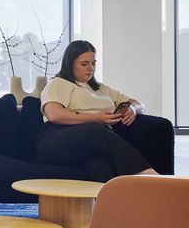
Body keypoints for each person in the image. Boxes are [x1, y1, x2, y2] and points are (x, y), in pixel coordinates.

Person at [37, 39, 161, 182]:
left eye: (93, 63)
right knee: (96, 130)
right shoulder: (58, 83)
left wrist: (133, 109)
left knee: (102, 167)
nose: (90, 68)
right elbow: (54, 114)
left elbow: (139, 104)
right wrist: (96, 118)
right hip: (56, 141)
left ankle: (112, 204)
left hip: (91, 145)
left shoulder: (101, 89)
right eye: (84, 64)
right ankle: (151, 177)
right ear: (70, 64)